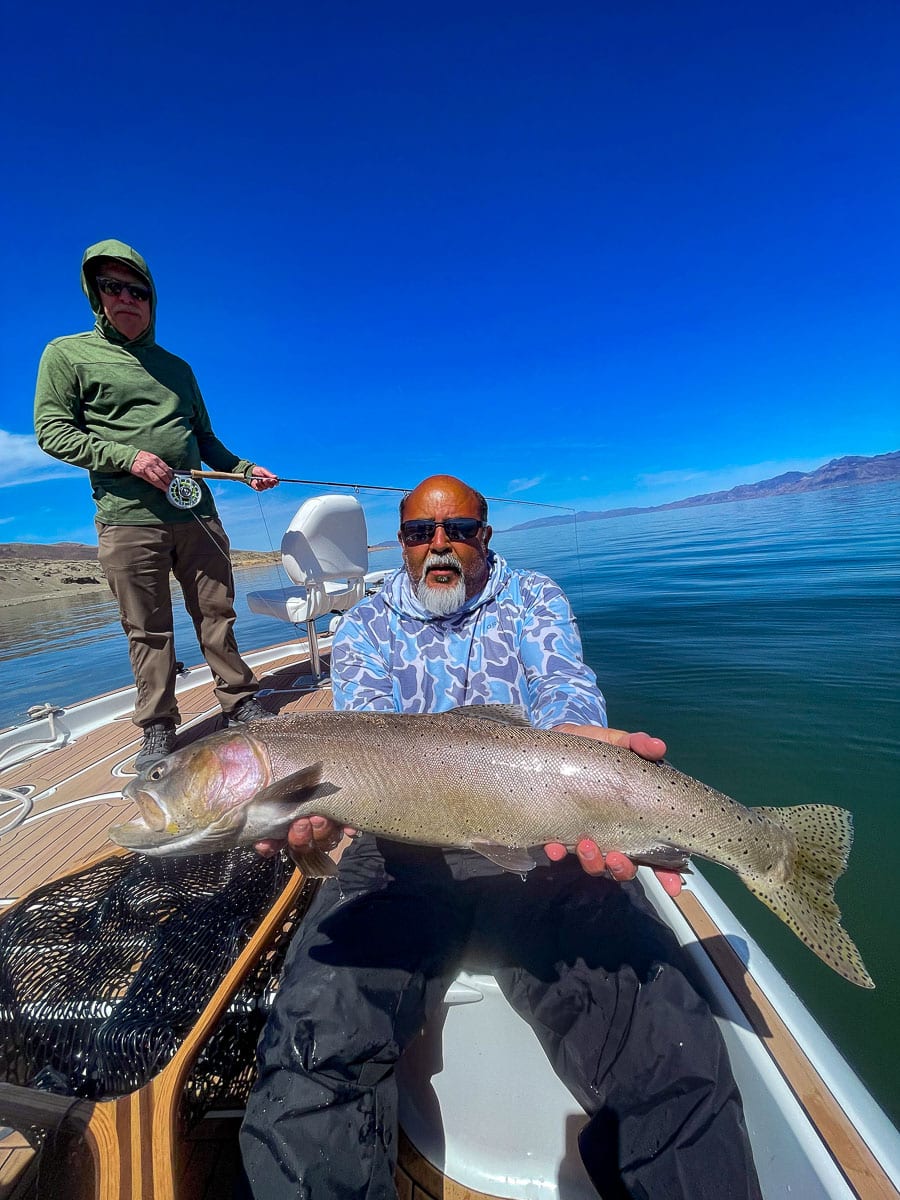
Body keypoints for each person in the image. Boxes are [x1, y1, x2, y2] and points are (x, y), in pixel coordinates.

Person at [239, 474, 762, 1200]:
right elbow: (364, 732)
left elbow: (563, 688)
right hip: (399, 857)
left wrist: (582, 747)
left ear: (486, 537)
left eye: (458, 530)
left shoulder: (533, 597)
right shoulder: (364, 623)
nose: (440, 545)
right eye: (422, 533)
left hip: (543, 846)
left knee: (669, 1060)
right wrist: (318, 817)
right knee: (308, 1062)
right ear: (403, 543)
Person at [34, 239, 278, 770]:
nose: (126, 298)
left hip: (196, 512)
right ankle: (159, 727)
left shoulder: (178, 368)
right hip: (127, 519)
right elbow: (51, 431)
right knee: (147, 628)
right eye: (112, 287)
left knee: (217, 614)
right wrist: (127, 457)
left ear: (152, 299)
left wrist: (243, 470)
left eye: (137, 290)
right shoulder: (67, 354)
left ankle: (240, 703)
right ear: (95, 295)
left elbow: (206, 440)